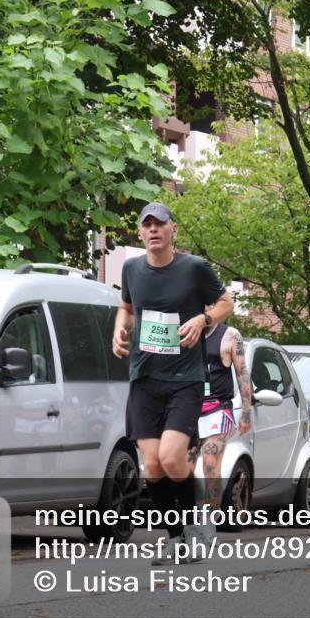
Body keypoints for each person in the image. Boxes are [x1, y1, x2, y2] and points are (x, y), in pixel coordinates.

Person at [112, 202, 234, 564]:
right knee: (152, 466)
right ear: (140, 232)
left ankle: (198, 523)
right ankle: (176, 537)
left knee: (171, 457)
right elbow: (127, 308)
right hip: (145, 378)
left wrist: (202, 318)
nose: (153, 230)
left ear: (172, 230)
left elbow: (226, 302)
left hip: (185, 379)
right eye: (146, 225)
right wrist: (119, 331)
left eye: (159, 224)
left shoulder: (193, 268)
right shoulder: (132, 268)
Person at [195, 313, 252, 539]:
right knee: (181, 468)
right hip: (188, 406)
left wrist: (246, 412)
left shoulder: (230, 335)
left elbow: (242, 373)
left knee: (210, 463)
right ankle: (189, 518)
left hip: (217, 408)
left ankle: (208, 522)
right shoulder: (187, 330)